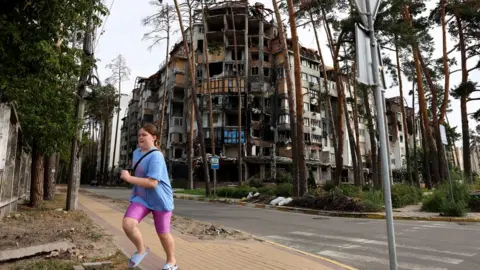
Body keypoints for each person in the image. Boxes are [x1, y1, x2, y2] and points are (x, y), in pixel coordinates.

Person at [120, 124, 177, 270]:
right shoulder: (136, 153)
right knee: (128, 224)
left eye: (144, 135)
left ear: (154, 137)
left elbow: (152, 183)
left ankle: (172, 261)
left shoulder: (156, 156)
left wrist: (128, 178)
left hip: (160, 199)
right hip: (141, 197)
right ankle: (141, 250)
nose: (140, 137)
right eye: (139, 135)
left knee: (163, 234)